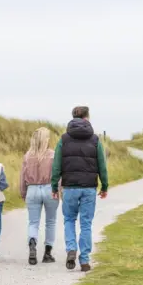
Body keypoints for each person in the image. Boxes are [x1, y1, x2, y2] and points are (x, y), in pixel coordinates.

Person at [50, 106, 108, 272]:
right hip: (89, 188)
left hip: (69, 187)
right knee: (86, 223)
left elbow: (56, 165)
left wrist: (54, 185)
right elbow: (102, 165)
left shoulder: (64, 139)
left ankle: (71, 249)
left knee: (69, 219)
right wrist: (104, 185)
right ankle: (84, 259)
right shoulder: (95, 140)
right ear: (87, 117)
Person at [20, 127, 58, 265]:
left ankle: (32, 244)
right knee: (51, 221)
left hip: (32, 189)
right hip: (49, 188)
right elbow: (57, 175)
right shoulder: (53, 155)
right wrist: (59, 190)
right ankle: (47, 253)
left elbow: (22, 176)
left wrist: (23, 192)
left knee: (33, 222)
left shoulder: (27, 155)